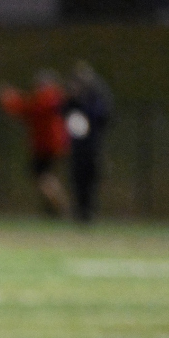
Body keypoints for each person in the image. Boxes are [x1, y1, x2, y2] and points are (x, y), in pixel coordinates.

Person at [0, 70, 71, 218]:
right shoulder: (57, 97)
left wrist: (8, 97)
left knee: (42, 177)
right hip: (57, 144)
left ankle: (59, 206)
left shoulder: (44, 99)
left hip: (44, 146)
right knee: (47, 176)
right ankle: (53, 207)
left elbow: (24, 108)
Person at [63, 61, 112, 223]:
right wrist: (73, 99)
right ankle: (79, 212)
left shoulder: (95, 98)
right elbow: (62, 111)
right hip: (77, 146)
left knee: (91, 179)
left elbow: (103, 116)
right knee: (77, 180)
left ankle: (89, 212)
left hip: (92, 146)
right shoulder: (72, 99)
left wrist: (82, 104)